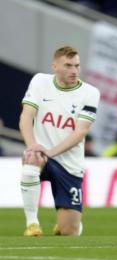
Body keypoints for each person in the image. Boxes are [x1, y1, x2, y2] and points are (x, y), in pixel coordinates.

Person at [19, 46, 100, 236]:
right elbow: (26, 117)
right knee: (31, 158)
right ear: (55, 66)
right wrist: (33, 146)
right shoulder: (40, 81)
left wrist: (51, 151)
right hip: (41, 154)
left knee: (69, 232)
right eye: (68, 65)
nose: (74, 71)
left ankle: (69, 223)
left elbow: (80, 132)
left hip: (69, 164)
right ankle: (32, 224)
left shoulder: (90, 93)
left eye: (77, 66)